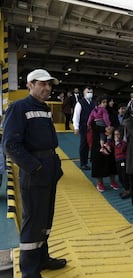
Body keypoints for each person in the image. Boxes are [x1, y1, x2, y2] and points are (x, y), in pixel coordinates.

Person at [2, 69, 66, 277]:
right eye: (42, 84)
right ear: (30, 85)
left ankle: (42, 258)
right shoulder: (18, 108)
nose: (47, 88)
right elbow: (10, 145)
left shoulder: (44, 108)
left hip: (49, 167)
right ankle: (30, 271)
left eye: (49, 85)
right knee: (33, 221)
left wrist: (53, 167)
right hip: (35, 171)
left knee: (45, 219)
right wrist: (35, 167)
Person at [72, 87, 95, 170]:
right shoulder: (80, 103)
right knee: (84, 145)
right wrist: (76, 127)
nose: (90, 93)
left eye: (91, 92)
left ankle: (93, 161)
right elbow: (76, 116)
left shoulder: (93, 103)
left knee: (94, 145)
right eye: (88, 92)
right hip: (84, 127)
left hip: (93, 128)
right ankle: (83, 163)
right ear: (84, 93)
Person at [109, 128, 130, 199]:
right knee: (120, 176)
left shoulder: (122, 143)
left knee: (124, 175)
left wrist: (118, 143)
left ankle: (128, 189)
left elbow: (122, 149)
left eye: (118, 134)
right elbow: (109, 145)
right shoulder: (115, 143)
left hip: (122, 161)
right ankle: (125, 188)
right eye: (115, 134)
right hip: (117, 162)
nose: (116, 136)